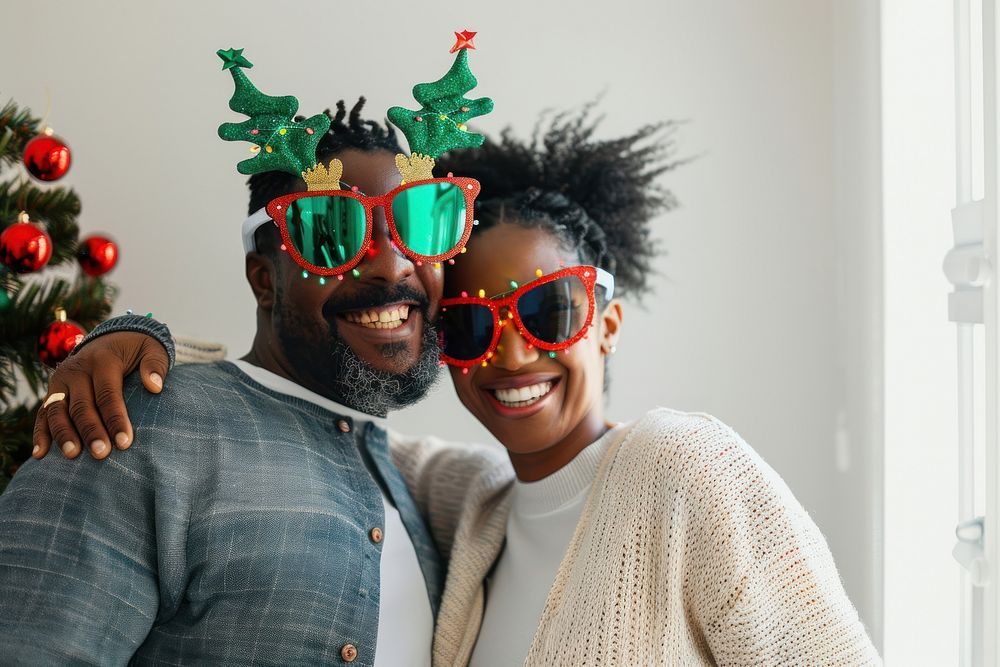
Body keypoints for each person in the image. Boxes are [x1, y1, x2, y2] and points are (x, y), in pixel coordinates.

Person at [21, 112, 882, 665]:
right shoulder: (461, 500)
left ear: (606, 318)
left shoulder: (684, 468)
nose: (511, 353)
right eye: (473, 323)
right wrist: (133, 341)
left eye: (548, 310)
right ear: (262, 271)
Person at [0, 98, 464, 666]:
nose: (393, 267)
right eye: (333, 234)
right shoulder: (131, 422)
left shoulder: (410, 485)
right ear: (265, 280)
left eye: (419, 225)